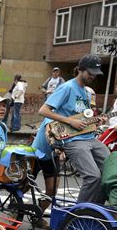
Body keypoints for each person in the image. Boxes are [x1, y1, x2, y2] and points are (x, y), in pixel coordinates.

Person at [37, 54, 109, 204]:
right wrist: (70, 121)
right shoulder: (67, 87)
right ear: (80, 70)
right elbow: (43, 111)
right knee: (92, 176)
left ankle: (97, 210)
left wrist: (97, 121)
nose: (93, 77)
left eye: (95, 74)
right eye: (90, 73)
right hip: (72, 139)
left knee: (110, 170)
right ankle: (78, 216)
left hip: (88, 137)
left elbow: (83, 119)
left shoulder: (86, 92)